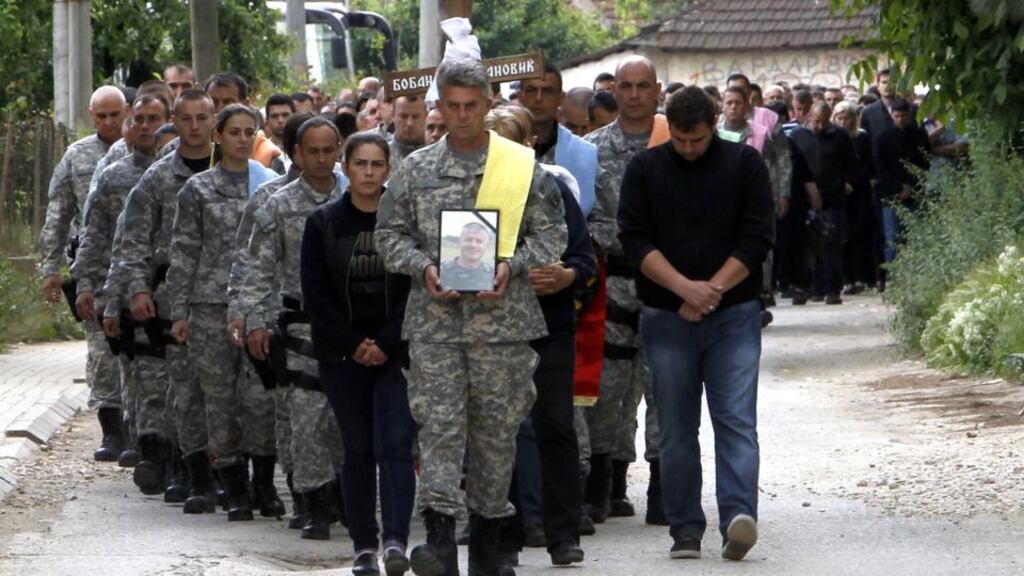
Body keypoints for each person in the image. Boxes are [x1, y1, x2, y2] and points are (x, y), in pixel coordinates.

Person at [375, 57, 567, 576]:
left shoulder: (520, 168)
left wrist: (512, 265)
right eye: (452, 106)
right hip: (435, 324)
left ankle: (488, 544)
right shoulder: (414, 170)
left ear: (488, 106)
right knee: (438, 429)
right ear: (439, 105)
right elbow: (388, 236)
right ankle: (439, 541)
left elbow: (554, 234)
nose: (461, 117)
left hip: (502, 326)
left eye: (471, 106)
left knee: (496, 434)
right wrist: (424, 267)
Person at [617, 85, 773, 562]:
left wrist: (710, 292)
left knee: (736, 422)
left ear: (713, 127)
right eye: (681, 140)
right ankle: (685, 527)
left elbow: (757, 238)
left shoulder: (745, 165)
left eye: (698, 140)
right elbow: (635, 240)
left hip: (734, 315)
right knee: (677, 428)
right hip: (667, 315)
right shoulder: (644, 169)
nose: (688, 149)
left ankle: (738, 518)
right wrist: (686, 288)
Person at [301, 132, 415, 575]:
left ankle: (396, 542)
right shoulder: (323, 223)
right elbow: (316, 292)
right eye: (361, 164)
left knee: (397, 446)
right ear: (345, 167)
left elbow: (412, 288)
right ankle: (364, 545)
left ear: (389, 169)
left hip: (396, 353)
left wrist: (387, 342)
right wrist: (353, 344)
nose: (369, 172)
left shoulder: (403, 220)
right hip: (342, 355)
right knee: (357, 450)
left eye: (377, 164)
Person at [486, 105, 592, 565]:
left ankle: (563, 534)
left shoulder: (552, 189)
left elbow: (585, 257)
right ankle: (503, 536)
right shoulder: (468, 190)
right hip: (490, 330)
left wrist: (567, 276)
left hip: (549, 327)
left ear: (530, 145)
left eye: (512, 144)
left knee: (554, 426)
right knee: (496, 432)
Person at [164, 104, 280, 522]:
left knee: (260, 399)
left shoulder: (269, 187)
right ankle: (233, 487)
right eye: (234, 131)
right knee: (220, 401)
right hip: (209, 308)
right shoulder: (197, 190)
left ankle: (263, 482)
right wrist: (178, 311)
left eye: (250, 131)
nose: (243, 138)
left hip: (257, 306)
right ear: (219, 136)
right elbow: (184, 253)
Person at [240, 117, 348, 540]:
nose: (321, 159)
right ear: (298, 154)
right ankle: (312, 501)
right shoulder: (278, 206)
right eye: (312, 151)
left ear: (338, 149)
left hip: (352, 327)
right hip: (299, 325)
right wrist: (257, 323)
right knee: (305, 419)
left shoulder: (360, 198)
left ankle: (343, 496)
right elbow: (256, 270)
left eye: (328, 150)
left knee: (343, 421)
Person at [71, 93, 171, 493]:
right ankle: (148, 449)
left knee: (180, 385)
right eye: (140, 119)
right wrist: (87, 285)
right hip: (130, 292)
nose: (146, 127)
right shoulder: (113, 176)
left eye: (155, 119)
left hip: (181, 294)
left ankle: (186, 460)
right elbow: (94, 237)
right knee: (143, 378)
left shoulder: (190, 175)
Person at [583, 55, 664, 528]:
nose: (633, 95)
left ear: (657, 90)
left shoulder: (677, 144)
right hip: (610, 282)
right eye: (625, 86)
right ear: (615, 90)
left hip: (665, 284)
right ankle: (601, 483)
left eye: (642, 86)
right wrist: (631, 239)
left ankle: (662, 483)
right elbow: (585, 222)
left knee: (663, 386)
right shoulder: (590, 150)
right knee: (606, 387)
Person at [39, 85, 127, 462]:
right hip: (92, 268)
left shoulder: (146, 150)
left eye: (115, 114)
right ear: (93, 116)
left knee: (141, 351)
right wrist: (51, 267)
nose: (109, 122)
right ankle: (112, 429)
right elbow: (58, 215)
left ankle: (146, 431)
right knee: (101, 352)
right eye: (102, 116)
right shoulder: (76, 156)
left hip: (135, 268)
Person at [789, 102, 856, 304]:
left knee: (832, 243)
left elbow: (850, 163)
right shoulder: (797, 136)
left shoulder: (839, 136)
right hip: (804, 199)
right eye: (816, 121)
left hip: (832, 197)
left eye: (824, 122)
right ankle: (812, 287)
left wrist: (844, 183)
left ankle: (832, 288)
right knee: (808, 245)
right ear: (809, 116)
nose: (819, 126)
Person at [523, 63, 598, 217]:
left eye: (547, 91)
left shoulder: (585, 153)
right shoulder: (501, 145)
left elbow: (605, 222)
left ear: (560, 98)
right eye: (531, 90)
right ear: (520, 96)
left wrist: (575, 235)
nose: (538, 98)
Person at [873, 96, 930, 266]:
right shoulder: (882, 137)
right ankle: (895, 275)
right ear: (891, 114)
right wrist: (898, 187)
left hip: (915, 190)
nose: (900, 119)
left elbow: (924, 161)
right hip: (891, 193)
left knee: (916, 235)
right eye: (896, 116)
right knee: (892, 236)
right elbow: (880, 167)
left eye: (903, 115)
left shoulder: (919, 134)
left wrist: (911, 185)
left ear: (908, 114)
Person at [833, 101, 878, 293]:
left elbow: (867, 163)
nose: (843, 122)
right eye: (839, 118)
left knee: (860, 234)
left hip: (859, 191)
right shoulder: (832, 137)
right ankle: (846, 278)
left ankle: (862, 276)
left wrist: (854, 182)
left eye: (846, 118)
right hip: (839, 191)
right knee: (843, 236)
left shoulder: (862, 137)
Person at [439, 222, 496, 292]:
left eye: (479, 241)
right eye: (468, 240)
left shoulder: (494, 273)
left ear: (486, 246)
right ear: (459, 242)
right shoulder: (440, 270)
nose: (473, 245)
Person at [390, 95, 427, 165]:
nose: (409, 123)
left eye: (415, 117)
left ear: (426, 115)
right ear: (392, 115)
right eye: (403, 116)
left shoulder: (438, 154)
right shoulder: (382, 155)